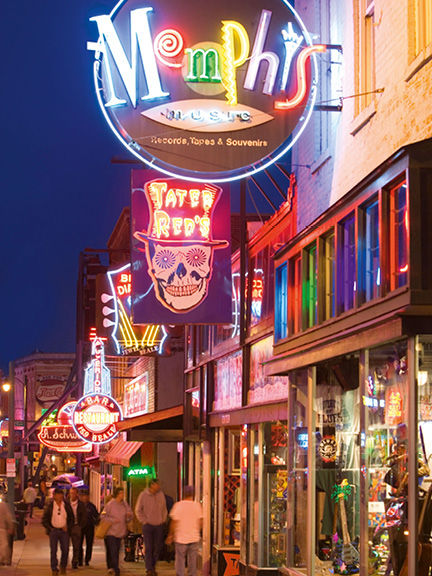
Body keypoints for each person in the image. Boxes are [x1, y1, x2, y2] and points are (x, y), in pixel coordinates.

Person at [166, 486, 203, 576]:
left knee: (180, 559)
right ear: (193, 495)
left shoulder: (178, 505)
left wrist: (170, 535)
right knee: (192, 560)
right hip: (194, 537)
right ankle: (192, 574)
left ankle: (180, 574)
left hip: (180, 538)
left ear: (183, 494)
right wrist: (197, 531)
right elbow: (201, 521)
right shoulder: (197, 506)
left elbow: (174, 522)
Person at [135, 478, 168, 576]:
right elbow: (138, 509)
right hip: (148, 525)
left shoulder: (161, 495)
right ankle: (149, 568)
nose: (158, 486)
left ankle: (153, 567)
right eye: (157, 484)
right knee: (149, 547)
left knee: (157, 547)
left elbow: (164, 509)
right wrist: (144, 521)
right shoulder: (143, 495)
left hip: (159, 525)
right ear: (152, 485)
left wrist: (163, 519)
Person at [42, 488, 74, 576]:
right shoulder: (50, 506)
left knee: (65, 549)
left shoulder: (66, 505)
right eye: (58, 495)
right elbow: (44, 520)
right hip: (54, 531)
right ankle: (54, 568)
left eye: (61, 495)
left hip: (64, 531)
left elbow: (71, 518)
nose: (60, 497)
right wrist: (50, 528)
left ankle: (63, 566)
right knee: (53, 550)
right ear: (54, 496)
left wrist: (68, 527)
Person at [101, 486, 133, 576]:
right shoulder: (110, 504)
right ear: (117, 494)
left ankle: (112, 567)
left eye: (123, 493)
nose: (123, 495)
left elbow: (130, 515)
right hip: (111, 532)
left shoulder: (124, 504)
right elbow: (103, 516)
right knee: (113, 551)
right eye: (121, 493)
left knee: (116, 551)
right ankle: (115, 569)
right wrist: (112, 520)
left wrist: (129, 516)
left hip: (120, 532)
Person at [68, 487, 87, 569]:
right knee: (65, 546)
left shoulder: (81, 504)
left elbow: (84, 516)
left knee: (77, 546)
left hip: (77, 526)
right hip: (68, 527)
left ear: (77, 494)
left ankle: (75, 561)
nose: (72, 495)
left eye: (74, 493)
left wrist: (80, 525)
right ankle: (64, 561)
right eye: (71, 493)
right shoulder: (66, 503)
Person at [79, 490, 99, 567]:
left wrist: (96, 521)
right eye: (83, 496)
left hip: (90, 527)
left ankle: (87, 559)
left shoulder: (91, 506)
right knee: (79, 544)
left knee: (89, 544)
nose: (85, 497)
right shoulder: (79, 506)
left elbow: (96, 515)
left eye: (86, 496)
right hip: (81, 527)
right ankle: (80, 559)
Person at [0, 500, 14, 566]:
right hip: (2, 529)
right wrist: (10, 527)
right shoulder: (2, 505)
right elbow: (8, 516)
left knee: (4, 545)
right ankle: (2, 559)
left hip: (2, 528)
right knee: (4, 545)